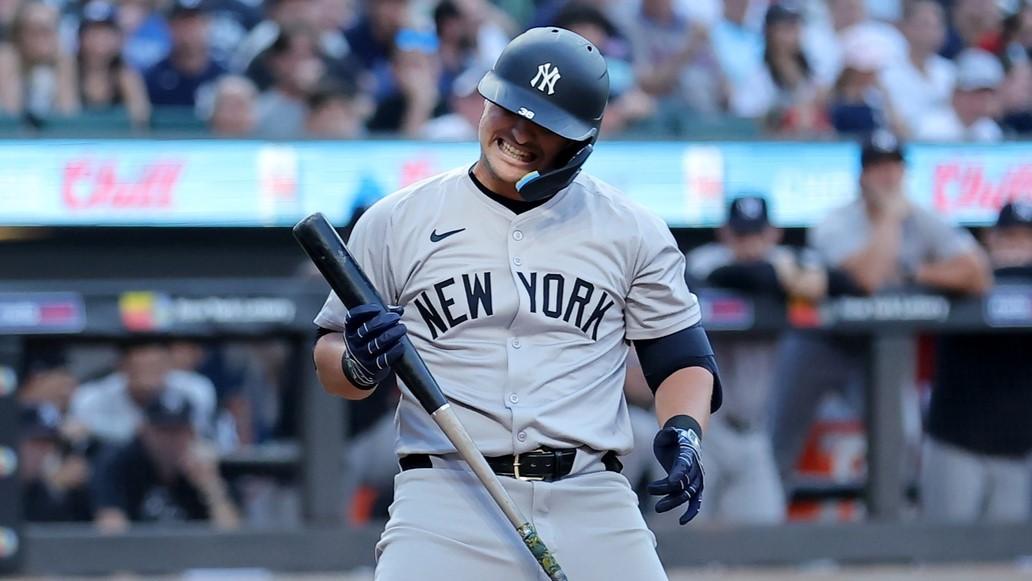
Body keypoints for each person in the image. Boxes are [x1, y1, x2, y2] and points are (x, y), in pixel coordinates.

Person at [311, 27, 721, 580]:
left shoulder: (632, 229)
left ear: (579, 143)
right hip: (445, 496)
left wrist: (686, 430)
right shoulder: (396, 220)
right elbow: (331, 360)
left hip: (591, 495)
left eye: (544, 124)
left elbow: (681, 359)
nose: (518, 132)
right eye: (508, 108)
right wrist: (357, 362)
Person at [769, 130, 993, 492]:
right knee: (778, 442)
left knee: (900, 437)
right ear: (861, 176)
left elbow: (979, 274)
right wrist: (889, 218)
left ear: (904, 172)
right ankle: (770, 530)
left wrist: (914, 271)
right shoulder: (836, 221)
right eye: (877, 167)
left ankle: (887, 540)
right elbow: (868, 278)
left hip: (878, 350)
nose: (887, 176)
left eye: (893, 166)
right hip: (820, 344)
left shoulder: (922, 218)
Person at [682, 195, 834, 524]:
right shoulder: (705, 262)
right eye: (741, 236)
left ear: (774, 234)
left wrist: (783, 278)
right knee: (687, 541)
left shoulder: (791, 259)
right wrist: (783, 280)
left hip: (754, 434)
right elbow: (735, 275)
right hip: (706, 432)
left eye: (758, 235)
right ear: (724, 234)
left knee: (765, 541)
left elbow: (832, 282)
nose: (750, 246)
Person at [922, 201, 1032, 523]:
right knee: (944, 558)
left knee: (1008, 562)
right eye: (1009, 237)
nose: (1017, 248)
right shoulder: (965, 278)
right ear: (990, 239)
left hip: (1018, 450)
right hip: (956, 445)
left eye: (1027, 239)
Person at [90, 390, 240, 532]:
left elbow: (231, 539)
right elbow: (111, 531)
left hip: (196, 555)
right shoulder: (119, 461)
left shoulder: (205, 466)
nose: (171, 441)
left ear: (191, 433)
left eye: (178, 431)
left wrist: (210, 487)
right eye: (163, 431)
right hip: (136, 556)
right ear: (144, 431)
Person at [70, 339, 216, 445]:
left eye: (156, 366)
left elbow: (196, 437)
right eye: (142, 367)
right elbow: (76, 433)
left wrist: (98, 429)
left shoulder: (195, 389)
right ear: (122, 367)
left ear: (169, 364)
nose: (150, 375)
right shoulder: (91, 397)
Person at [76, 1, 151, 128]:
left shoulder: (127, 74)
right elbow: (67, 118)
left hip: (119, 145)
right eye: (92, 32)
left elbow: (142, 123)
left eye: (106, 32)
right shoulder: (70, 71)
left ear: (118, 37)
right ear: (80, 37)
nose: (99, 40)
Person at [0, 1, 79, 120]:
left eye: (49, 30)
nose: (44, 38)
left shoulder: (62, 61)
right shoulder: (7, 58)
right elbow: (9, 118)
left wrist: (61, 68)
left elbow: (69, 118)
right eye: (36, 30)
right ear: (19, 34)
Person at [143, 0, 225, 109]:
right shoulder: (152, 78)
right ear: (170, 27)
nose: (189, 31)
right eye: (182, 24)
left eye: (194, 23)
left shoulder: (223, 77)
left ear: (207, 25)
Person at [19, 403, 93, 522]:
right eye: (35, 442)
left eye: (49, 443)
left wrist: (55, 490)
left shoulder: (48, 489)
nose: (44, 451)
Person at [913, 48, 1005, 142]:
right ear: (956, 93)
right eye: (976, 93)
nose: (983, 100)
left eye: (987, 94)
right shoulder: (931, 128)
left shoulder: (989, 130)